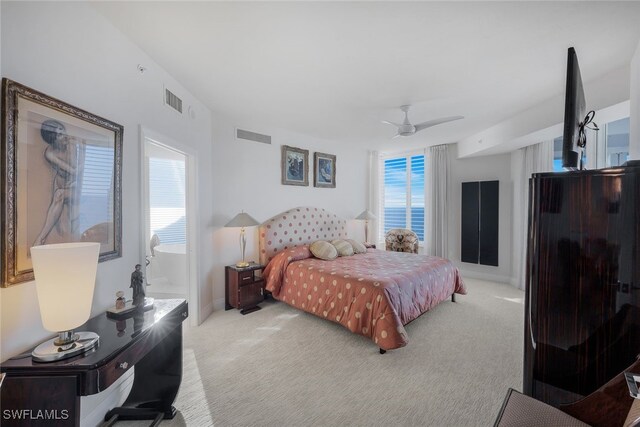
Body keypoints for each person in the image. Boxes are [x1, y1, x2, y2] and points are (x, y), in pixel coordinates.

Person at [32, 119, 83, 247]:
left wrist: (79, 146)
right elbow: (71, 169)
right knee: (60, 226)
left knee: (60, 196)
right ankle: (43, 239)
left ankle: (40, 238)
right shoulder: (50, 153)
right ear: (52, 139)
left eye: (63, 131)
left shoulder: (72, 144)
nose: (64, 135)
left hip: (76, 186)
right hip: (61, 184)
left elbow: (77, 171)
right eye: (59, 134)